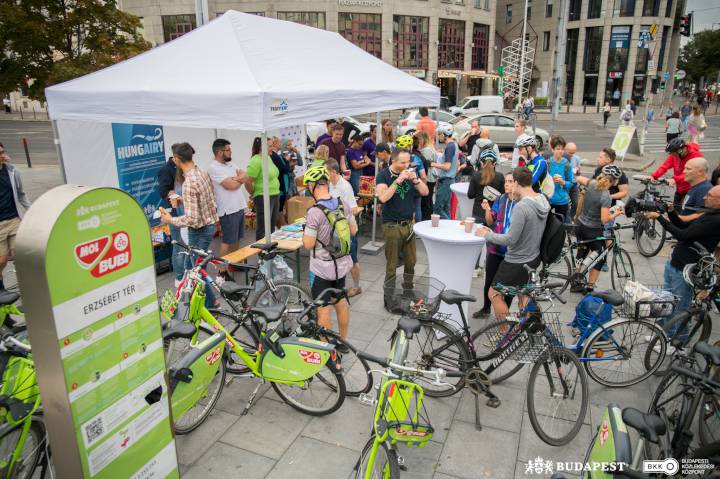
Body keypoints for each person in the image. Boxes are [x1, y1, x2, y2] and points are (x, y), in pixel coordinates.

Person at [644, 186, 720, 338]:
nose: (705, 197)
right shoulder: (709, 213)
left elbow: (683, 235)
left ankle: (678, 342)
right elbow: (683, 225)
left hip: (685, 269)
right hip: (675, 263)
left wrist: (659, 218)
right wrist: (671, 212)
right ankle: (664, 334)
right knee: (667, 302)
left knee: (680, 308)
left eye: (709, 195)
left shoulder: (715, 220)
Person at [475, 167, 549, 320]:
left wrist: (487, 234)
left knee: (494, 294)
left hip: (517, 260)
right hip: (533, 257)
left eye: (511, 182)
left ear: (516, 183)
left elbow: (510, 239)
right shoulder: (542, 200)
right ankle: (529, 328)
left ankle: (506, 332)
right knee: (523, 295)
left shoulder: (521, 207)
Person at [302, 165, 357, 340]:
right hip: (341, 265)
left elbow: (308, 244)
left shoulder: (314, 212)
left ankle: (326, 350)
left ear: (312, 186)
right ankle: (343, 341)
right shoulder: (343, 204)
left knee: (323, 309)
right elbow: (353, 231)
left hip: (321, 269)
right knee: (340, 302)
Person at [376, 150, 429, 304]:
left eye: (408, 162)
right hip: (392, 225)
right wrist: (398, 180)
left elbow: (425, 192)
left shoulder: (411, 174)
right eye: (402, 163)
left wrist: (416, 180)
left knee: (411, 261)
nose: (406, 165)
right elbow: (383, 197)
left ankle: (408, 290)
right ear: (393, 161)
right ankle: (389, 297)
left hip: (409, 224)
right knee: (392, 264)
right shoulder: (384, 175)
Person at [160, 142, 219, 275]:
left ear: (176, 159)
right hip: (208, 226)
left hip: (199, 231)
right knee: (191, 267)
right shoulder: (202, 173)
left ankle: (207, 291)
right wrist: (184, 200)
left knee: (195, 272)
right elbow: (207, 200)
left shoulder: (188, 183)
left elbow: (192, 219)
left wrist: (170, 220)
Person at [572, 164, 624, 292]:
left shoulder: (591, 183)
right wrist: (616, 213)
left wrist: (577, 174)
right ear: (615, 182)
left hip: (580, 225)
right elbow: (604, 219)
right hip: (592, 230)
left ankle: (575, 282)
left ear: (602, 175)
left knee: (581, 251)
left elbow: (579, 178)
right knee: (600, 256)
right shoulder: (606, 196)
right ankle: (590, 287)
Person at [474, 172, 516, 318]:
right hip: (495, 248)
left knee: (508, 287)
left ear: (517, 184)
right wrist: (487, 209)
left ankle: (505, 315)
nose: (506, 184)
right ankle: (486, 308)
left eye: (510, 181)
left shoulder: (521, 203)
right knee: (489, 281)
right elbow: (490, 221)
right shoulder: (501, 199)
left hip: (511, 252)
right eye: (506, 181)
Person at [206, 139, 249, 275]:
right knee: (227, 241)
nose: (231, 151)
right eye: (228, 149)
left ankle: (233, 264)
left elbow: (246, 175)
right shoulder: (214, 167)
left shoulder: (230, 163)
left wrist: (236, 179)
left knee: (236, 239)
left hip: (238, 206)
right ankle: (222, 270)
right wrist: (238, 179)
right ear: (219, 152)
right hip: (228, 210)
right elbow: (231, 186)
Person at [326, 159, 363, 297]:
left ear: (333, 172)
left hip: (347, 230)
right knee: (336, 258)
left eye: (325, 171)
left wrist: (337, 214)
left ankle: (356, 286)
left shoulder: (345, 186)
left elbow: (354, 209)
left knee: (352, 259)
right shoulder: (329, 184)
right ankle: (336, 286)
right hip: (335, 230)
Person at [467, 148, 505, 277]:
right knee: (491, 244)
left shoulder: (476, 175)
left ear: (481, 163)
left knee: (477, 242)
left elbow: (470, 195)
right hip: (493, 214)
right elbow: (502, 197)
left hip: (477, 213)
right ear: (495, 163)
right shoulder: (500, 177)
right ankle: (489, 268)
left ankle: (474, 269)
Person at [0, 143, 30, 290]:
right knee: (2, 260)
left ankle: (26, 288)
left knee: (20, 256)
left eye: (2, 152)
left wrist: (31, 210)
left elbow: (21, 193)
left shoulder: (12, 171)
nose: (2, 155)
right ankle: (1, 289)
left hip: (14, 220)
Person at [158, 151, 187, 286]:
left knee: (186, 244)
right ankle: (179, 277)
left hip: (185, 211)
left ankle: (187, 273)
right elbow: (163, 192)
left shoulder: (182, 167)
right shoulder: (166, 169)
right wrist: (173, 195)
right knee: (178, 245)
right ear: (175, 157)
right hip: (174, 213)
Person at [244, 137, 280, 240]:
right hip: (263, 197)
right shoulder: (255, 161)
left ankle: (270, 248)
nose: (272, 148)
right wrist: (253, 193)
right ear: (261, 148)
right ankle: (261, 249)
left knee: (271, 226)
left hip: (274, 194)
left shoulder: (268, 158)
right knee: (263, 228)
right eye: (270, 146)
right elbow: (247, 181)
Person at [652, 137, 703, 206]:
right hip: (680, 189)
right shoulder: (675, 155)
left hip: (691, 189)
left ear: (681, 150)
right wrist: (654, 176)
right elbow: (665, 166)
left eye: (673, 153)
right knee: (675, 209)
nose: (672, 155)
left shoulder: (695, 156)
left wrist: (675, 179)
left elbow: (692, 173)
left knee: (684, 210)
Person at [430, 125, 458, 219]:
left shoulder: (450, 147)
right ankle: (449, 227)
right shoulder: (454, 144)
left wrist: (432, 164)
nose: (438, 136)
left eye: (439, 134)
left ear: (444, 134)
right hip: (449, 180)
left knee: (438, 209)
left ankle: (450, 225)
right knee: (446, 208)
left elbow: (447, 166)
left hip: (446, 181)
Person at [546, 135, 574, 220]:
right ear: (552, 149)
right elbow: (543, 182)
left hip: (562, 201)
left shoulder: (567, 165)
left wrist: (563, 182)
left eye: (562, 149)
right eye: (558, 149)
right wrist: (551, 180)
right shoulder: (547, 163)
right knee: (546, 223)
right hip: (548, 199)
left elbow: (571, 183)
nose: (560, 151)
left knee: (560, 224)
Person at [677, 157, 712, 223]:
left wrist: (677, 219)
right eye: (684, 168)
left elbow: (703, 215)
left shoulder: (704, 189)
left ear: (700, 172)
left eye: (688, 169)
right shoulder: (696, 187)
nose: (684, 171)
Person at [269, 137, 291, 225]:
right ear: (275, 144)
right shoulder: (275, 156)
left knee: (280, 207)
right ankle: (281, 225)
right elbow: (285, 170)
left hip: (280, 184)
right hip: (280, 185)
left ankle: (281, 225)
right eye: (279, 143)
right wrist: (287, 160)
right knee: (279, 208)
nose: (281, 144)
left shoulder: (275, 155)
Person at [416, 131, 437, 220]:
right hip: (430, 178)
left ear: (422, 139)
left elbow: (426, 165)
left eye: (418, 140)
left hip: (428, 178)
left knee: (426, 202)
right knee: (428, 201)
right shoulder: (429, 148)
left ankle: (426, 220)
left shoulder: (426, 150)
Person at [407, 135, 428, 221]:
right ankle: (417, 226)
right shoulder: (417, 158)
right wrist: (422, 186)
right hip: (416, 185)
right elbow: (423, 176)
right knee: (417, 208)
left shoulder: (396, 158)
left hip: (403, 188)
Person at [566, 142, 582, 219]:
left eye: (573, 153)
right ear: (565, 150)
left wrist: (578, 171)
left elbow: (579, 173)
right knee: (564, 203)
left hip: (574, 184)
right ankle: (565, 218)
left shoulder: (577, 158)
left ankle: (571, 217)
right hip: (565, 183)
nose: (572, 155)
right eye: (570, 153)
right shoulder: (562, 158)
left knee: (576, 202)